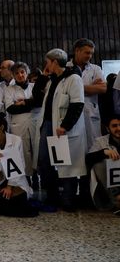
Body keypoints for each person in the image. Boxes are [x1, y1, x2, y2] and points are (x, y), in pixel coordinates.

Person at [33, 48, 86, 212]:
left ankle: (68, 200)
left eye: (47, 62)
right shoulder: (51, 80)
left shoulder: (73, 79)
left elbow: (77, 105)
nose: (46, 65)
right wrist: (43, 75)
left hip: (62, 128)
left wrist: (65, 126)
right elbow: (36, 94)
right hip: (47, 124)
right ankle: (52, 197)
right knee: (44, 162)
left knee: (66, 164)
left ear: (54, 62)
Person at [0, 114, 38, 217]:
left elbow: (20, 165)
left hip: (15, 180)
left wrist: (9, 187)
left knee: (20, 198)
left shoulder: (16, 140)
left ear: (1, 127)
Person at [68, 39, 105, 151]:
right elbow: (63, 91)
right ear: (77, 51)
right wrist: (91, 87)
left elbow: (103, 88)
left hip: (91, 112)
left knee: (94, 147)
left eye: (91, 53)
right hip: (71, 113)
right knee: (75, 148)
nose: (90, 56)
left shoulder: (95, 69)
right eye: (87, 52)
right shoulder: (66, 68)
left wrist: (76, 88)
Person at [4, 62, 38, 177]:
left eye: (22, 72)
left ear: (27, 73)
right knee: (24, 151)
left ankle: (38, 175)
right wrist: (29, 104)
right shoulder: (9, 90)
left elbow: (39, 103)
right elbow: (10, 108)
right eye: (17, 73)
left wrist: (22, 103)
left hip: (34, 121)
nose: (20, 75)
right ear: (13, 75)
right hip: (18, 124)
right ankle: (28, 176)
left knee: (36, 148)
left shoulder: (34, 87)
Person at [86, 115, 120, 214]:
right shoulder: (101, 141)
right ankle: (117, 200)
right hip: (109, 188)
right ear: (107, 128)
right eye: (114, 126)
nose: (118, 128)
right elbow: (88, 159)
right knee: (100, 163)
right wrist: (104, 152)